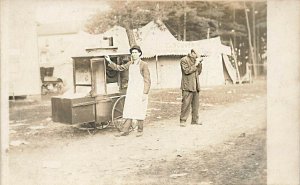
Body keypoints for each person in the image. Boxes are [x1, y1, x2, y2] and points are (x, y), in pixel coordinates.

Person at [104, 45, 151, 137]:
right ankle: (125, 130)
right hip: (131, 89)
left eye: (136, 52)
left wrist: (145, 93)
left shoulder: (144, 65)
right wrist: (109, 61)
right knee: (129, 108)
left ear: (140, 53)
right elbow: (120, 68)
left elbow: (147, 80)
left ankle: (140, 130)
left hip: (140, 90)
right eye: (132, 52)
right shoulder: (130, 63)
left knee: (139, 109)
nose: (134, 54)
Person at [179, 49, 203, 127]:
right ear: (192, 53)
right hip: (187, 86)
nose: (197, 56)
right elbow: (186, 71)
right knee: (186, 104)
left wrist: (199, 64)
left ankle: (195, 120)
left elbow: (199, 72)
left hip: (195, 86)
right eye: (197, 55)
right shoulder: (184, 60)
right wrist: (196, 64)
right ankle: (183, 121)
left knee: (196, 105)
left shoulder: (195, 61)